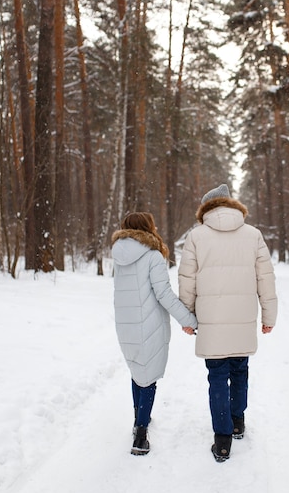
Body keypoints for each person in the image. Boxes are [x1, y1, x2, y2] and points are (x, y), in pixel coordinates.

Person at [178, 184, 277, 462]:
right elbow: (266, 279)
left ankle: (222, 441)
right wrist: (269, 317)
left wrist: (187, 316)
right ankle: (237, 421)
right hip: (243, 317)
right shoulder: (253, 235)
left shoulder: (196, 236)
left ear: (205, 209)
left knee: (218, 376)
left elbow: (187, 279)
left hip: (211, 319)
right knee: (240, 370)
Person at [112, 212, 197, 456]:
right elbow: (164, 294)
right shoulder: (153, 256)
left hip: (125, 323)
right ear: (148, 228)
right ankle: (141, 434)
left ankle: (139, 418)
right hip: (148, 323)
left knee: (138, 369)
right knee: (148, 376)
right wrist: (188, 320)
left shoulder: (119, 256)